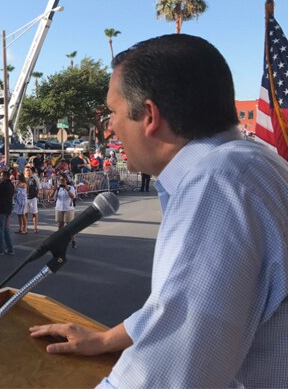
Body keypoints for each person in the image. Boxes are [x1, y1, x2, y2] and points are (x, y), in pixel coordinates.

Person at [29, 34, 288, 387]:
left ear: (149, 116)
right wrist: (107, 340)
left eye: (114, 112)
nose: (110, 126)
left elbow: (172, 368)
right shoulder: (249, 164)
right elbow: (175, 308)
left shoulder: (217, 183)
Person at [49, 173, 77, 248]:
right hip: (59, 208)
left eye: (63, 180)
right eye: (60, 180)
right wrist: (54, 189)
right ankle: (59, 240)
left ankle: (73, 240)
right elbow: (51, 197)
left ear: (66, 180)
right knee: (60, 226)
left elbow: (73, 196)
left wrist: (67, 189)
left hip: (68, 208)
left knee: (69, 226)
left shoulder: (70, 187)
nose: (61, 181)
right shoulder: (58, 188)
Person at [24, 166, 41, 233]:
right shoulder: (23, 178)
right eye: (26, 170)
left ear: (31, 171)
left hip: (33, 198)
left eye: (29, 170)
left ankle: (35, 227)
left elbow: (38, 187)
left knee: (34, 213)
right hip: (25, 198)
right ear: (24, 171)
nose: (28, 171)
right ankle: (25, 227)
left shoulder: (34, 178)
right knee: (25, 213)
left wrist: (36, 196)